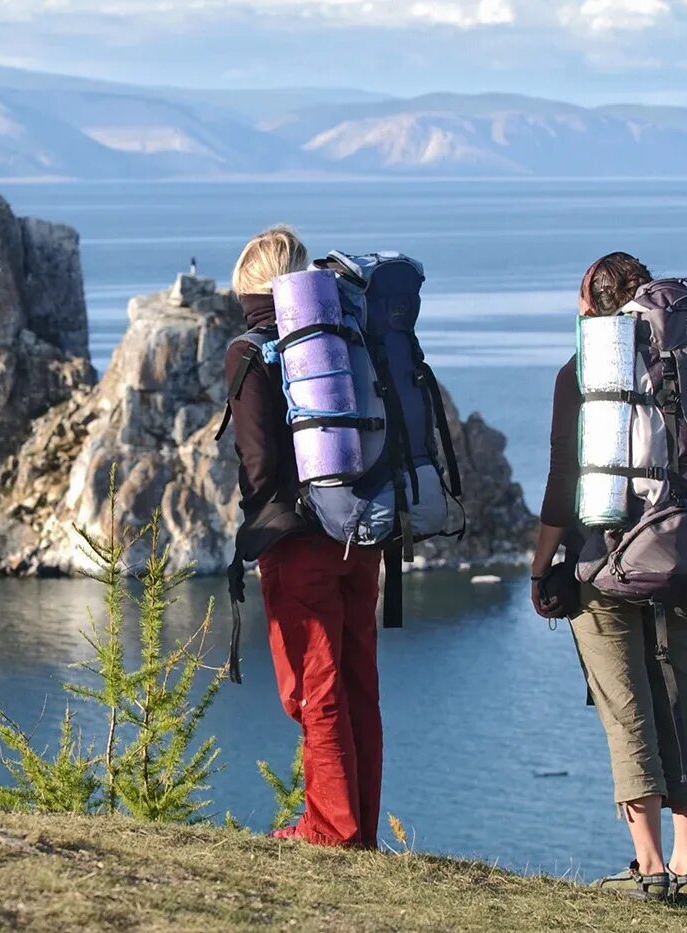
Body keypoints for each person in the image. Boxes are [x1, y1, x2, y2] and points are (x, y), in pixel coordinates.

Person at [531, 252, 687, 904]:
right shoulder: (685, 366)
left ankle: (650, 867)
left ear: (591, 303)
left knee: (627, 709)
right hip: (682, 557)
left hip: (602, 563)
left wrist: (538, 564)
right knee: (680, 703)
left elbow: (561, 486)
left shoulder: (583, 370)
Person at [224, 226, 384, 848]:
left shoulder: (251, 347)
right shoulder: (345, 333)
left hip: (298, 540)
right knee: (356, 683)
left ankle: (330, 829)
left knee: (312, 688)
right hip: (358, 531)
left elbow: (260, 462)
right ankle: (360, 826)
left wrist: (260, 528)